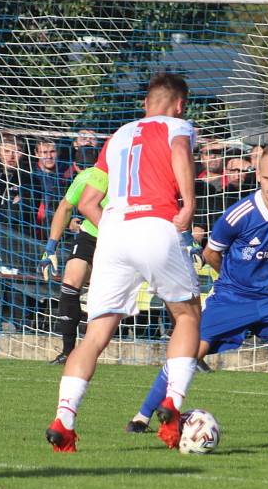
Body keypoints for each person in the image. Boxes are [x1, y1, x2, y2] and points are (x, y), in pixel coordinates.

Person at [126, 144, 268, 442]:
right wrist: (236, 281)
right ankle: (141, 417)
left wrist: (266, 277)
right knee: (189, 352)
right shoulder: (237, 216)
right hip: (231, 299)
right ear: (258, 175)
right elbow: (211, 253)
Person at [45, 72, 202, 452]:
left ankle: (64, 419)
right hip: (156, 223)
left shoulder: (118, 135)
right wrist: (189, 203)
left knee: (95, 335)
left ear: (146, 104)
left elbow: (87, 203)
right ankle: (173, 404)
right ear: (179, 104)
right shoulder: (178, 125)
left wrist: (118, 230)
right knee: (187, 315)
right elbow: (180, 152)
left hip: (113, 232)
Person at [38, 145, 104, 365]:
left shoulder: (133, 180)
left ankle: (192, 352)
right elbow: (65, 207)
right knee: (70, 280)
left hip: (120, 240)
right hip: (90, 237)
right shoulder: (89, 177)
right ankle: (68, 352)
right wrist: (50, 248)